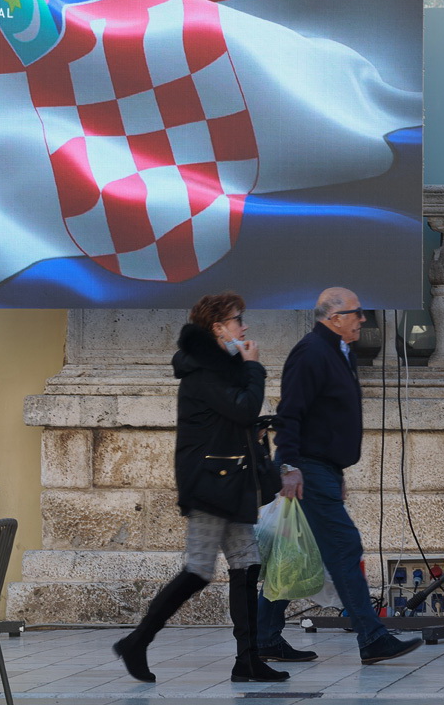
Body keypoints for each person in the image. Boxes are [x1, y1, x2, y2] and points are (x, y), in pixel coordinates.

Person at [114, 293, 288, 684]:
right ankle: (137, 642)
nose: (244, 327)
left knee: (247, 564)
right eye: (237, 320)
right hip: (210, 486)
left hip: (229, 481)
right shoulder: (201, 371)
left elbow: (238, 415)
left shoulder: (220, 369)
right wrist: (255, 367)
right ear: (218, 327)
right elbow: (243, 408)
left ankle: (247, 660)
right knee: (198, 570)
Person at [256, 287, 424, 665]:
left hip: (322, 468)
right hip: (307, 470)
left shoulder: (339, 351)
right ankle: (372, 636)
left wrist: (337, 468)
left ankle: (264, 639)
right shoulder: (312, 351)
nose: (363, 319)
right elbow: (292, 412)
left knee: (292, 553)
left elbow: (325, 417)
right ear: (334, 318)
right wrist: (289, 466)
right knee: (344, 548)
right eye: (357, 313)